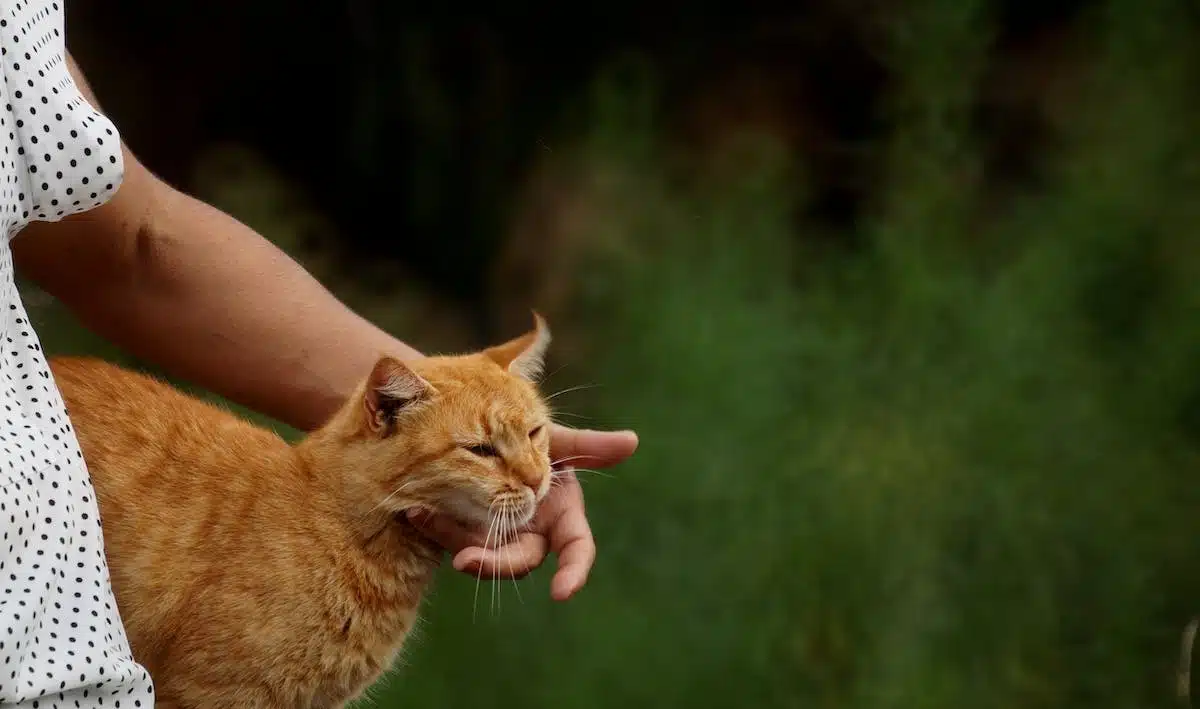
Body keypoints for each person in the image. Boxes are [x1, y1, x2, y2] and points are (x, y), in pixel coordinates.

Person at [0, 2, 638, 707]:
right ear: (382, 417)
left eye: (537, 434)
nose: (532, 468)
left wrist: (485, 423)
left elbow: (133, 243)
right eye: (493, 452)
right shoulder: (287, 546)